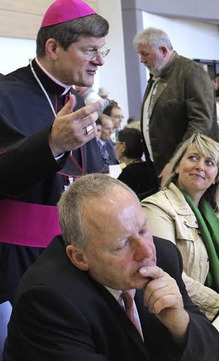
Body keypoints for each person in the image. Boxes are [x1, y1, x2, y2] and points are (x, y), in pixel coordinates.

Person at [3, 174, 219, 360]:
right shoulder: (48, 300)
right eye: (122, 244)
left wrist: (180, 324)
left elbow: (211, 350)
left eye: (143, 230)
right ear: (79, 257)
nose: (146, 251)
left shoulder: (163, 256)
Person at [0, 0, 108, 304]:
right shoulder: (5, 96)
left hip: (78, 256)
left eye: (103, 51)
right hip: (16, 259)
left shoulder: (75, 101)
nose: (100, 61)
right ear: (53, 47)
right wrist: (52, 144)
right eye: (90, 50)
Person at [142, 134, 219, 321]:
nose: (200, 167)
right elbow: (166, 274)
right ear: (176, 166)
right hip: (183, 316)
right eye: (193, 158)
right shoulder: (156, 208)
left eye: (209, 162)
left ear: (216, 177)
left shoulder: (217, 215)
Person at [134, 27, 218, 178]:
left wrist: (177, 161)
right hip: (160, 166)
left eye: (145, 54)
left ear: (164, 50)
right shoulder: (156, 76)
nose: (142, 60)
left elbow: (200, 122)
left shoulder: (191, 72)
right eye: (140, 54)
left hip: (186, 168)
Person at [115, 127, 159, 200]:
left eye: (116, 143)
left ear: (123, 146)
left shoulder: (127, 175)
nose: (114, 147)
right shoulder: (151, 167)